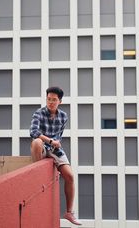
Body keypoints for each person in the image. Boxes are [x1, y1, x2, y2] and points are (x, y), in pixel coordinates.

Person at [30, 86, 82, 226]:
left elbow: (59, 136)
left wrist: (54, 146)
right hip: (42, 147)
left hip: (54, 149)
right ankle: (38, 172)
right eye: (48, 99)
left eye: (54, 100)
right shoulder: (39, 113)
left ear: (60, 101)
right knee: (36, 141)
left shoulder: (63, 116)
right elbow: (33, 132)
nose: (51, 102)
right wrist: (50, 141)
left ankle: (69, 212)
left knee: (70, 176)